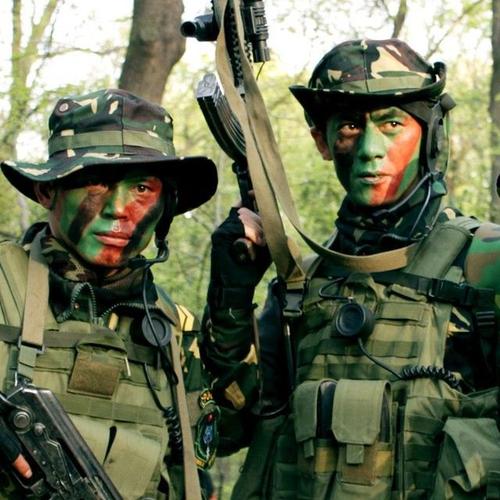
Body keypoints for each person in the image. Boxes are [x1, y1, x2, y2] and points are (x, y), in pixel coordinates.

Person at [201, 39, 500, 499]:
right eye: (350, 126)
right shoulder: (301, 286)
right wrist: (231, 298)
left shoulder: (485, 263)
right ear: (322, 142)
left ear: (431, 135)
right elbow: (222, 433)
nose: (369, 149)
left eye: (392, 124)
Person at [0, 88, 220, 499]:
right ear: (48, 191)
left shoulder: (171, 329)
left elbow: (210, 451)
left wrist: (232, 301)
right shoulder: (3, 284)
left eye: (142, 189)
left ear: (166, 204)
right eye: (96, 181)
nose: (119, 209)